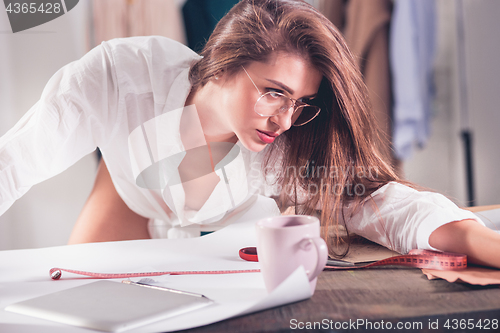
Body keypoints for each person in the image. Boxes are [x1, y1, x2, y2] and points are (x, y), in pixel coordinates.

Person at [0, 0, 499, 268]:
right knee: (75, 302)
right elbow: (18, 159)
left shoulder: (285, 143)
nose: (285, 119)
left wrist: (473, 238)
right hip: (131, 190)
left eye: (301, 102)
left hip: (220, 228)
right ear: (222, 64)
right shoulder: (119, 75)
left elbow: (380, 203)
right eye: (274, 92)